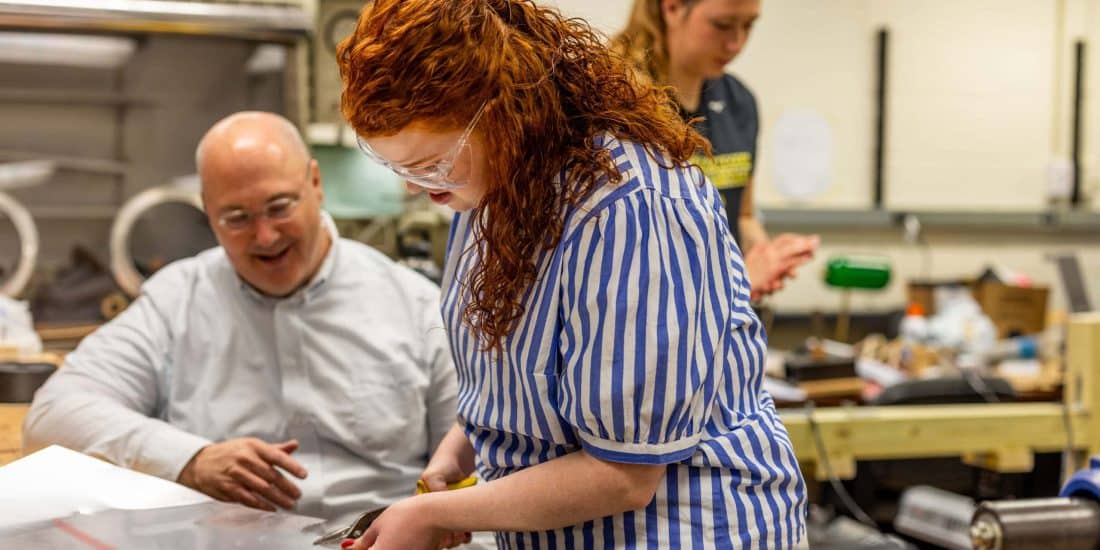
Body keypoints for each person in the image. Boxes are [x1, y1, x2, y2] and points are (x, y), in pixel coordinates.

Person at [337, 1, 806, 548]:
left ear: (504, 114)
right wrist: (457, 455)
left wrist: (435, 515)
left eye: (431, 165)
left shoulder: (632, 206)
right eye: (398, 168)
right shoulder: (487, 188)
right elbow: (522, 379)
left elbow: (625, 475)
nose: (419, 188)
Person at [23, 112, 459, 529]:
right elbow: (53, 414)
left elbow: (470, 459)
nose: (265, 236)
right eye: (237, 218)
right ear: (207, 212)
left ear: (315, 182)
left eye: (279, 206)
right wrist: (190, 460)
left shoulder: (416, 306)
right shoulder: (177, 302)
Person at [612, 0, 819, 301]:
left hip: (721, 319)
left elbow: (743, 215)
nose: (736, 43)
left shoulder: (740, 103)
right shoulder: (620, 103)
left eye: (749, 25)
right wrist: (742, 279)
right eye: (722, 25)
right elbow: (625, 258)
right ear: (672, 8)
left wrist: (766, 254)